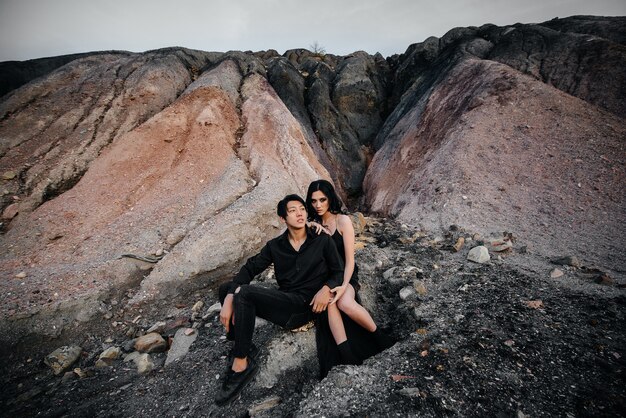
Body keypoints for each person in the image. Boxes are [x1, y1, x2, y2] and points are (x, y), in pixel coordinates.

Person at [215, 194, 344, 405]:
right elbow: (249, 269)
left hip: (305, 307)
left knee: (245, 293)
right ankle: (242, 346)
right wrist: (229, 297)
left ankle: (241, 363)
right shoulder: (276, 246)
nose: (300, 213)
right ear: (283, 219)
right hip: (285, 301)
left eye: (302, 208)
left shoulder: (321, 239)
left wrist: (326, 289)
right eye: (292, 211)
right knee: (226, 289)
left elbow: (338, 272)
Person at [306, 179, 393, 378]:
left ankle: (381, 339)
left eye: (322, 200)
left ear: (330, 199)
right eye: (313, 201)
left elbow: (350, 261)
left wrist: (344, 286)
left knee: (344, 302)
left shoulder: (342, 221)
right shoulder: (313, 225)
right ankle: (347, 355)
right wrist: (310, 226)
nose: (318, 205)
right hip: (325, 278)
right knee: (329, 302)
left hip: (345, 274)